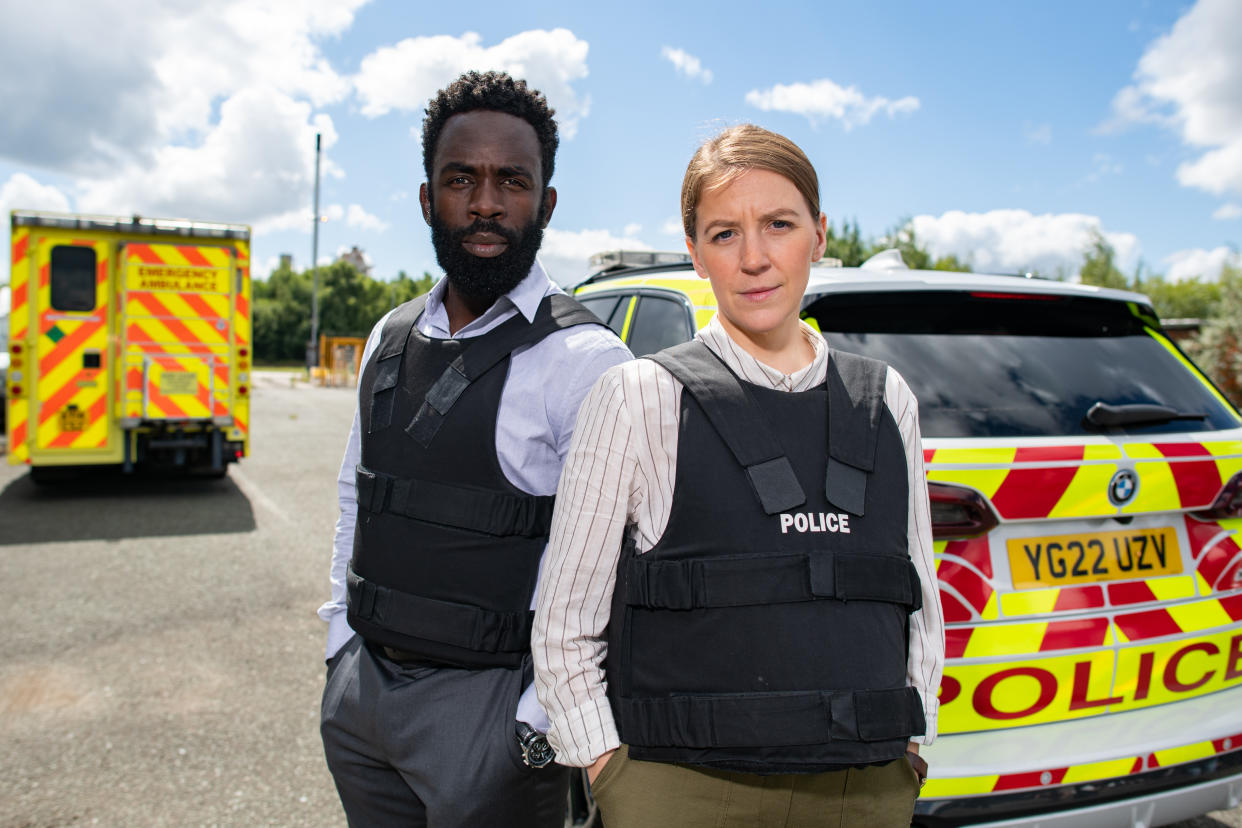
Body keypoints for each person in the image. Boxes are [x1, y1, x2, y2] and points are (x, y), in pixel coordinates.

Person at [532, 124, 945, 827]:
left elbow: (918, 598)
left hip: (865, 787)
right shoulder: (641, 397)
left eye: (778, 225)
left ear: (817, 234)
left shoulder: (887, 399)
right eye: (724, 234)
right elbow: (566, 622)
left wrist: (910, 746)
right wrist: (615, 777)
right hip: (681, 789)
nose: (754, 258)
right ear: (695, 252)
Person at [318, 70, 631, 827]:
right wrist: (338, 649)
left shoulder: (588, 363)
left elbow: (619, 572)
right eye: (461, 179)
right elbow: (359, 495)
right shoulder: (387, 338)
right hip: (363, 702)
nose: (486, 203)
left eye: (511, 181)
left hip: (491, 718)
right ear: (428, 198)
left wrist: (533, 720)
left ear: (546, 202)